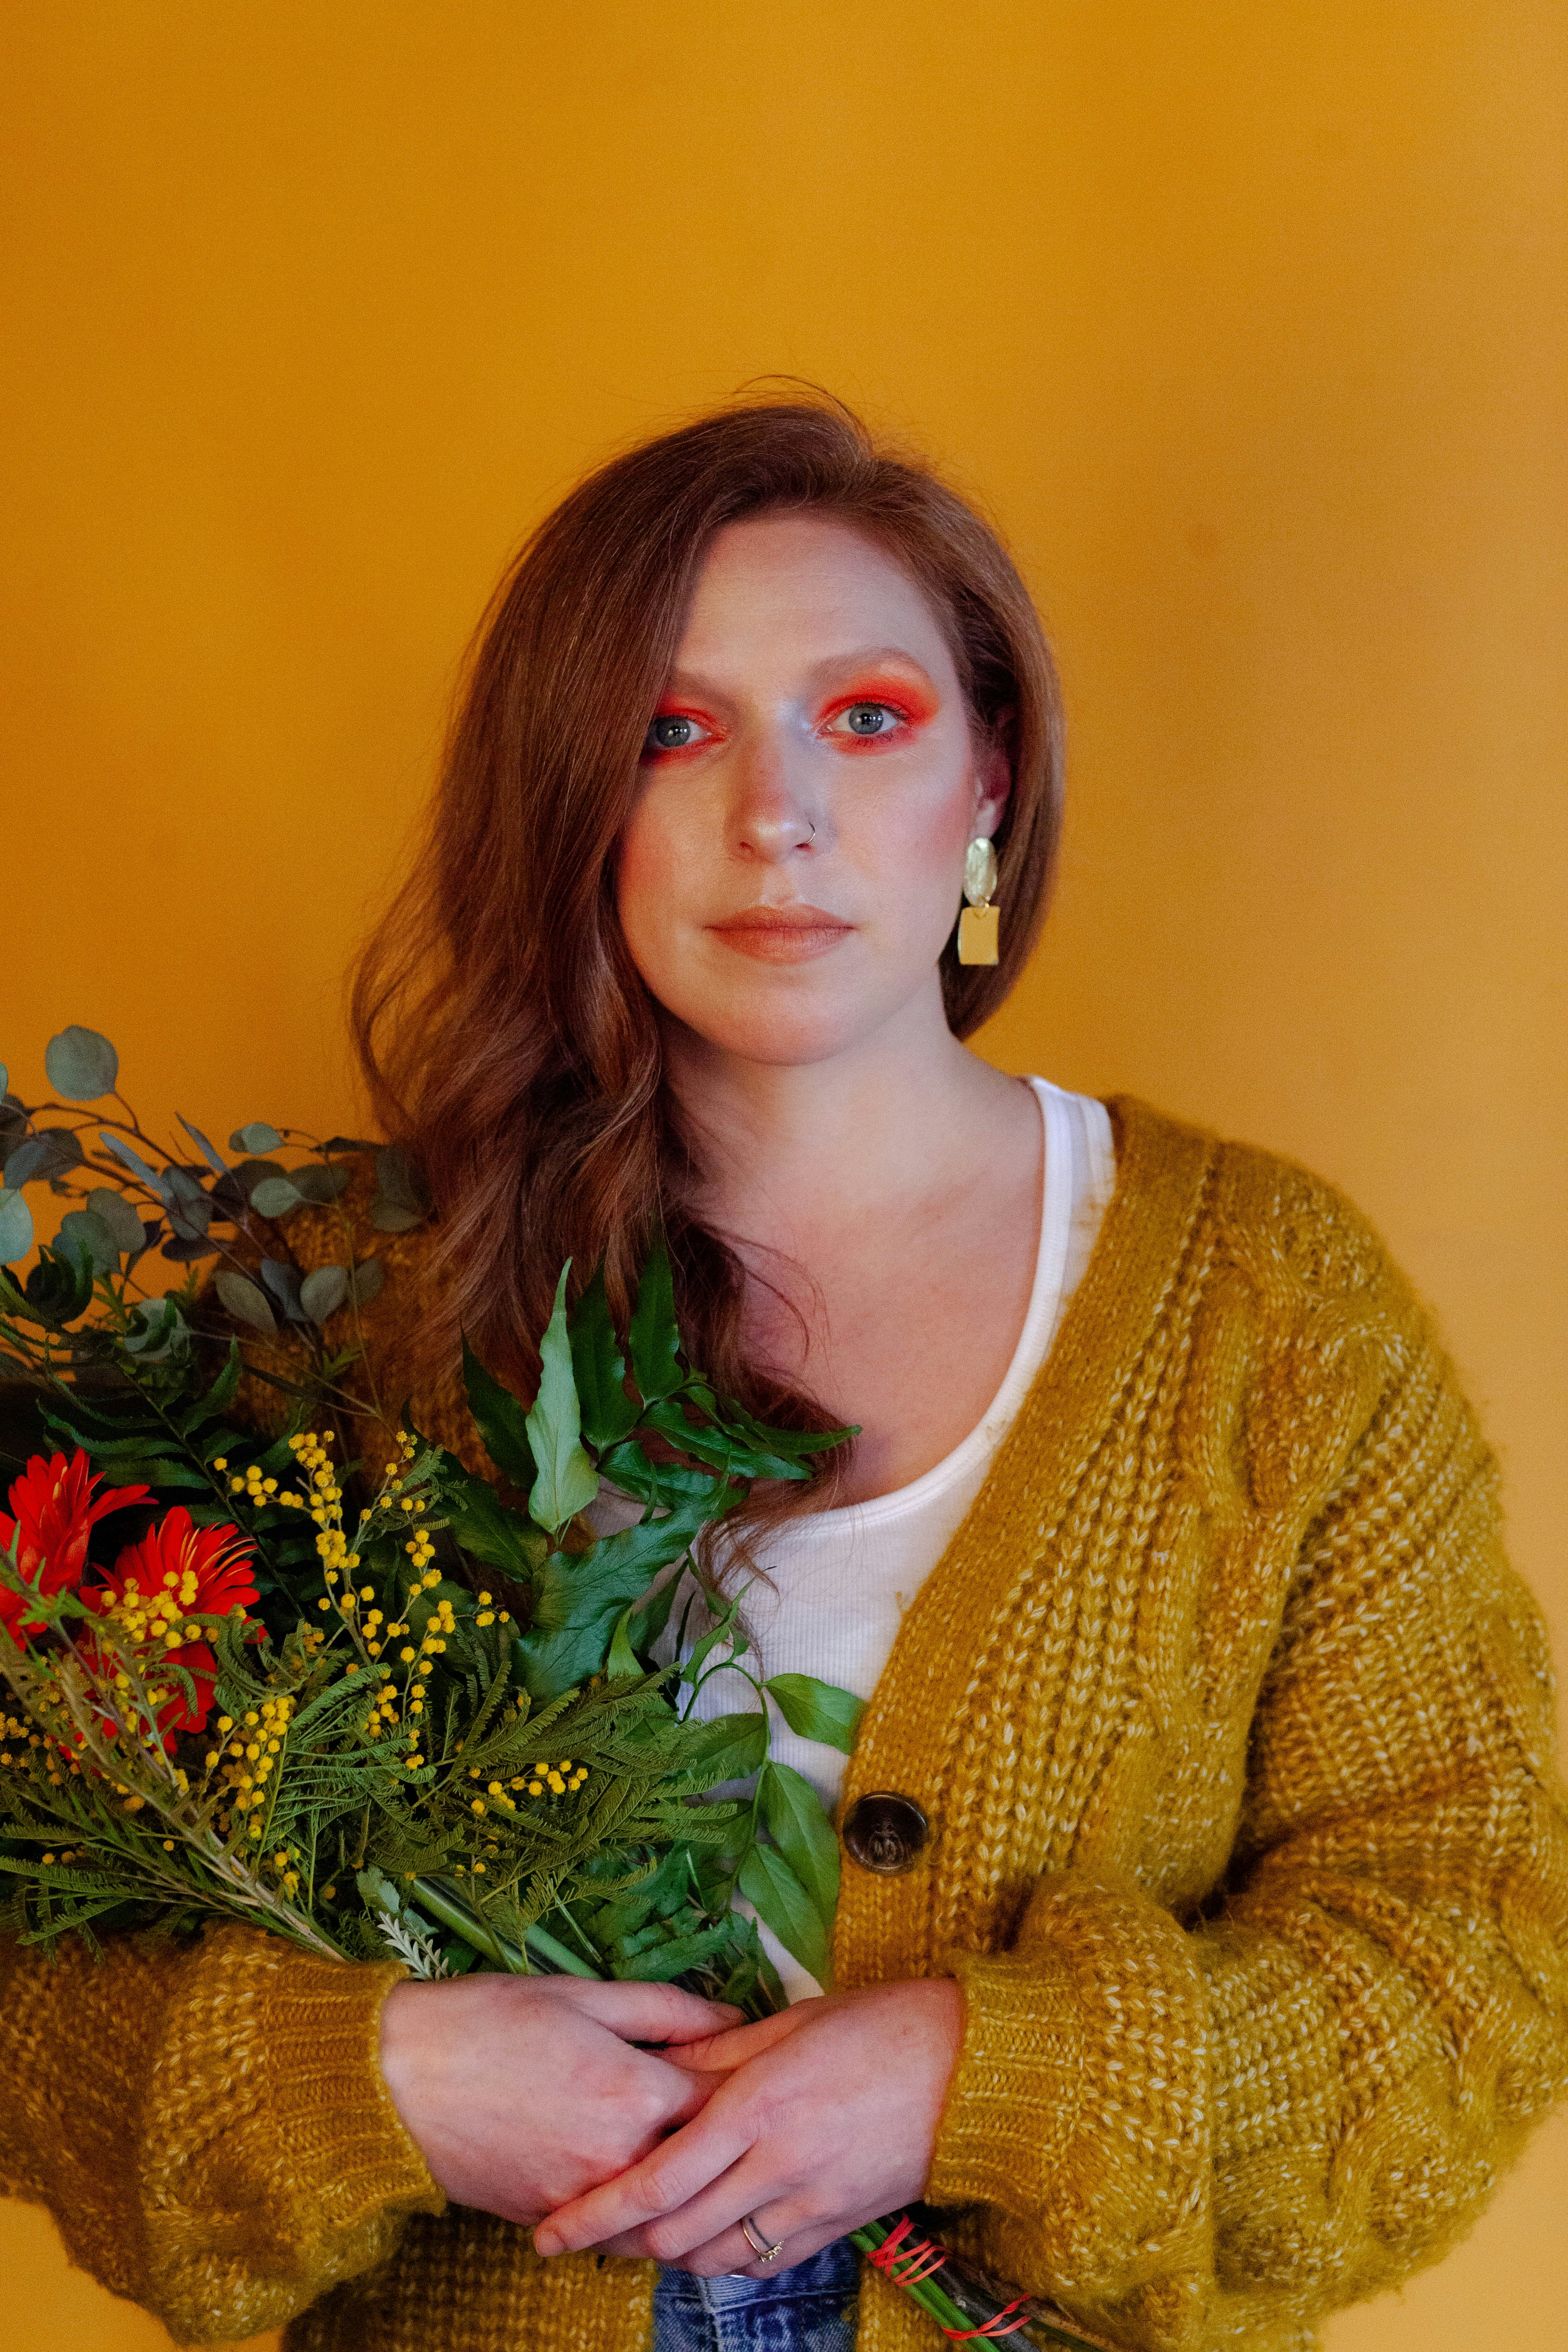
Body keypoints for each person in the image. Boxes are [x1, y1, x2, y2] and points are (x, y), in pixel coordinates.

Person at [1, 397, 1564, 2352]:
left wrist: (985, 2081)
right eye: (674, 730)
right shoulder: (341, 1314)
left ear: (991, 773)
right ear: (569, 800)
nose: (776, 818)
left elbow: (1473, 1955)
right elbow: (42, 1967)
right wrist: (371, 2076)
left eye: (869, 716)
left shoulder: (1268, 1314)